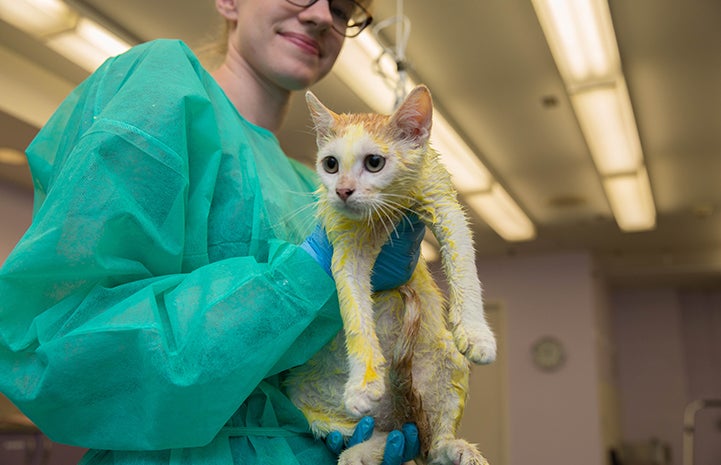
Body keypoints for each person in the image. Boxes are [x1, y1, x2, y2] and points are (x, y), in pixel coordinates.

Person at [0, 0, 425, 464]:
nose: (323, 16)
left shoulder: (313, 188)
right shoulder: (162, 89)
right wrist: (304, 275)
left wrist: (340, 421)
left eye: (343, 9)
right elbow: (65, 349)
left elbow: (315, 367)